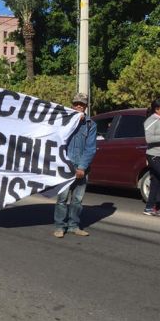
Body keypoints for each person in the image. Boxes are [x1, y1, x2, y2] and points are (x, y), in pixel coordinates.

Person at [54, 93, 97, 238]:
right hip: (65, 167)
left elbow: (90, 148)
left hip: (81, 168)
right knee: (62, 199)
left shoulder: (91, 124)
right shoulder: (63, 121)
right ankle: (60, 226)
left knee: (77, 200)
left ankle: (73, 225)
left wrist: (82, 167)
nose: (79, 106)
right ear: (72, 105)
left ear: (86, 106)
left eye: (82, 104)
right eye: (76, 103)